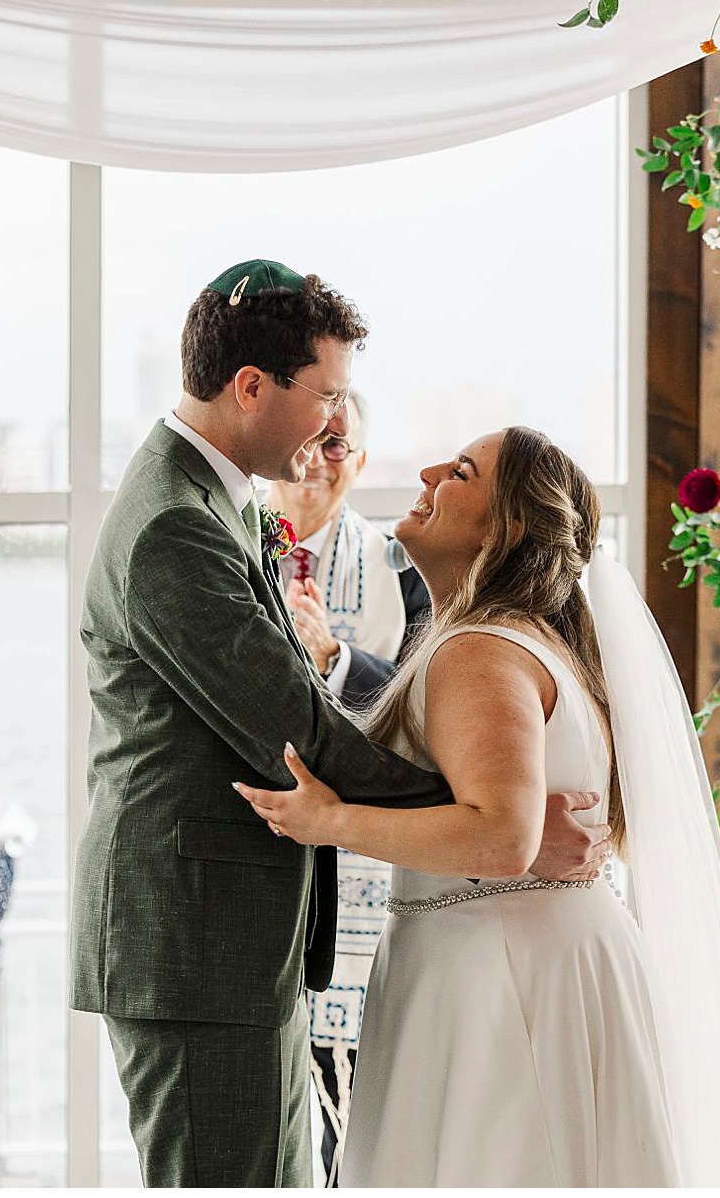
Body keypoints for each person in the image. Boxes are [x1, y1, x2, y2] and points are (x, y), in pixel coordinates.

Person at [72, 265, 612, 1188]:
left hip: (240, 942)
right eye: (327, 395)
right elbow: (299, 737)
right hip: (200, 943)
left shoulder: (218, 500)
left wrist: (499, 820)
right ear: (251, 387)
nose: (336, 424)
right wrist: (500, 825)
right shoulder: (174, 525)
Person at [237, 426, 720, 1187]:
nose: (426, 470)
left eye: (458, 471)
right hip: (534, 957)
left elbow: (502, 837)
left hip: (499, 977)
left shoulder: (480, 648)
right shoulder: (527, 641)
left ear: (507, 528)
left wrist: (327, 820)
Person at [265, 393, 431, 1185]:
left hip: (359, 875)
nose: (321, 457)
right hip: (254, 864)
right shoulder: (232, 548)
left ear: (360, 464)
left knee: (355, 1117)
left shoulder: (400, 568)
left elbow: (425, 715)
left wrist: (334, 657)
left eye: (341, 446)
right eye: (312, 438)